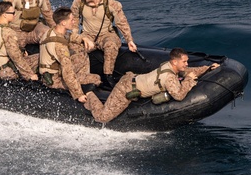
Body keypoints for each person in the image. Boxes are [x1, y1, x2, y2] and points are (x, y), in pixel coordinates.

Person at [83, 48, 219, 124]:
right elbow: (179, 95)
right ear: (175, 62)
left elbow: (189, 71)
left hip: (133, 80)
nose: (186, 64)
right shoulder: (169, 77)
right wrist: (188, 80)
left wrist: (208, 68)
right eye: (184, 61)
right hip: (127, 87)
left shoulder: (171, 66)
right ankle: (90, 95)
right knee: (102, 117)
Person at [70, 0, 137, 84]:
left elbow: (122, 23)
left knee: (111, 45)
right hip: (87, 34)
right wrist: (75, 34)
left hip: (106, 34)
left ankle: (108, 75)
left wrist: (129, 40)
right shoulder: (79, 2)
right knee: (74, 47)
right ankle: (80, 75)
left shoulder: (111, 4)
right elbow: (74, 19)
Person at [39, 7, 101, 103]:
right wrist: (78, 94)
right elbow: (67, 72)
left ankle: (81, 78)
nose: (74, 22)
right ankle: (83, 88)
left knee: (80, 51)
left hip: (52, 71)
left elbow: (69, 36)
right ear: (63, 23)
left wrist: (83, 39)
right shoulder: (60, 46)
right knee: (96, 78)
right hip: (55, 79)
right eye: (71, 20)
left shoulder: (53, 31)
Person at [0, 1, 39, 81]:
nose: (15, 15)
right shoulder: (8, 32)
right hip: (6, 72)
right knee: (40, 57)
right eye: (12, 13)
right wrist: (29, 75)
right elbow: (16, 57)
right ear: (4, 15)